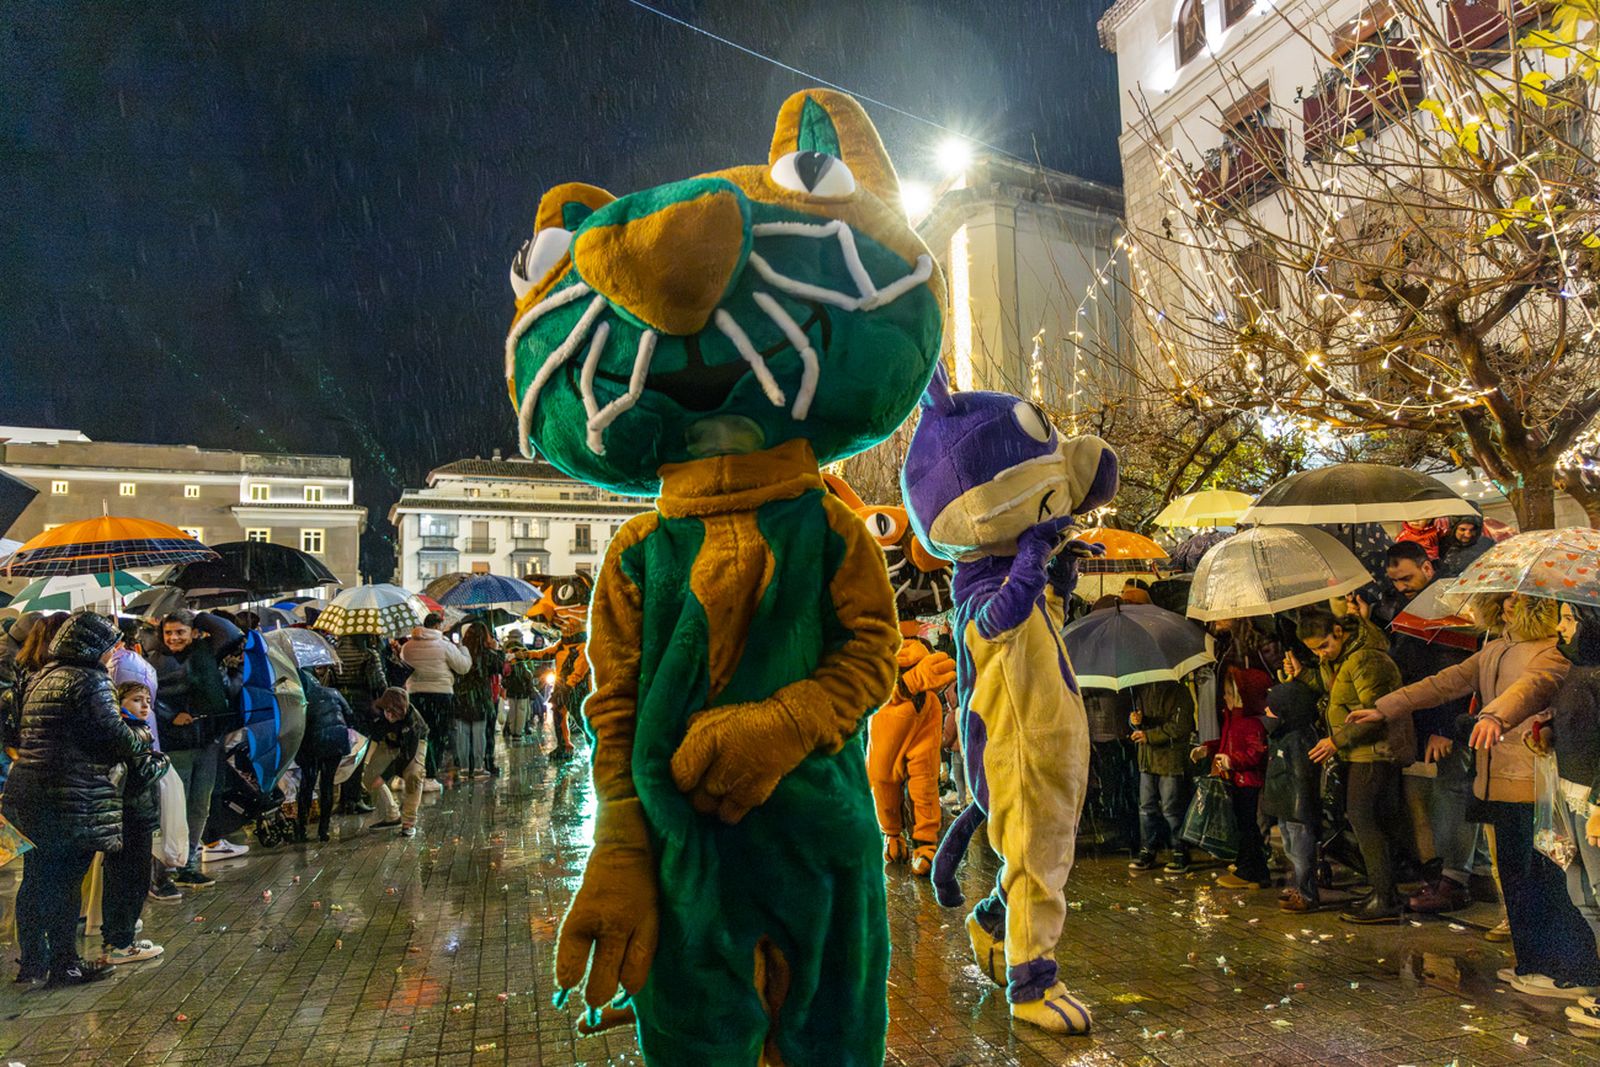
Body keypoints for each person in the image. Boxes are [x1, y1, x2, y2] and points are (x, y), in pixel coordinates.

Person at [1352, 593, 1600, 996]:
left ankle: (1565, 969)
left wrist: (1493, 716)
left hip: (1532, 782)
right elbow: (1445, 683)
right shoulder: (1493, 647)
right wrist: (1387, 707)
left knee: (1549, 883)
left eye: (1519, 601)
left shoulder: (1552, 652)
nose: (1508, 606)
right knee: (1517, 880)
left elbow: (1530, 689)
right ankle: (1531, 962)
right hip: (1494, 779)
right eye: (1503, 600)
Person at [3, 612, 150, 985]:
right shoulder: (90, 680)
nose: (112, 654)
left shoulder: (42, 675)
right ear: (92, 645)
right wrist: (142, 736)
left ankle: (33, 962)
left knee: (37, 879)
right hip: (70, 796)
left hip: (29, 792)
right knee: (66, 881)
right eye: (109, 646)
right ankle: (65, 964)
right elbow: (117, 737)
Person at [1356, 542, 1482, 914]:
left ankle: (1455, 879)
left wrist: (1447, 726)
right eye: (1395, 580)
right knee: (1437, 798)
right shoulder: (1411, 604)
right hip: (1426, 718)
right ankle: (1452, 872)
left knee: (1452, 795)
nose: (1401, 585)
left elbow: (1455, 674)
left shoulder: (1447, 604)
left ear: (1428, 568)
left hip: (1450, 722)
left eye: (1407, 577)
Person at [1286, 608, 1408, 924]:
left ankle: (1385, 897)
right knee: (1364, 819)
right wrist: (1303, 673)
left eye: (1323, 646)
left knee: (1364, 818)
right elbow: (1336, 693)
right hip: (1356, 753)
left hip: (1374, 753)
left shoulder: (1368, 659)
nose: (1321, 654)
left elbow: (1376, 711)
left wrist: (1335, 741)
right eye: (1314, 651)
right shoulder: (1339, 660)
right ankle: (1382, 891)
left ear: (1339, 632)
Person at [149, 610, 242, 887]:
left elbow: (231, 632)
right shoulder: (155, 661)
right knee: (172, 808)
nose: (174, 638)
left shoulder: (205, 652)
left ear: (193, 632)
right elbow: (148, 700)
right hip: (177, 744)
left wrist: (199, 616)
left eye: (180, 631)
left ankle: (188, 863)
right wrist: (170, 716)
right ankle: (166, 869)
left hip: (208, 741)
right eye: (168, 633)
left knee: (199, 806)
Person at [1554, 604, 1600, 1029]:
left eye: (1568, 618)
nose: (1559, 626)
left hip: (1593, 800)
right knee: (1583, 891)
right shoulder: (1578, 669)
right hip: (1573, 791)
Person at [101, 681, 167, 965]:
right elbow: (141, 775)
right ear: (120, 702)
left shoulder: (121, 730)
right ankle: (122, 942)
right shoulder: (133, 732)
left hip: (123, 814)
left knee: (119, 875)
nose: (144, 706)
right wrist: (162, 761)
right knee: (133, 876)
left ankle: (116, 935)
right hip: (134, 814)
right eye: (137, 700)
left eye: (147, 701)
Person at [1194, 667, 1272, 890]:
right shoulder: (1232, 718)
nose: (1225, 697)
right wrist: (1207, 749)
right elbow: (1226, 742)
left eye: (1229, 693)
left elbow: (1255, 752)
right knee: (1243, 826)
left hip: (1247, 783)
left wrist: (1232, 761)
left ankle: (1250, 872)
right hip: (1236, 781)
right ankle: (1252, 868)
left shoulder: (1250, 722)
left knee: (1247, 828)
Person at [1262, 681, 1323, 912]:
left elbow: (1301, 778)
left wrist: (1300, 809)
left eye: (1271, 709)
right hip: (1285, 805)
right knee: (1291, 849)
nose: (1266, 713)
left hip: (1296, 809)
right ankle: (1299, 886)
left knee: (1301, 852)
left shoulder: (1297, 738)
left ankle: (1307, 894)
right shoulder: (1282, 735)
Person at [1128, 679, 1196, 873]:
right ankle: (1147, 849)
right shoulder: (1142, 689)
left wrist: (1150, 735)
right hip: (1147, 759)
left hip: (1170, 759)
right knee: (1146, 807)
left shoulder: (1179, 692)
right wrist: (1135, 721)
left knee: (1171, 808)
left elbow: (1180, 726)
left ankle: (1180, 850)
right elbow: (1140, 722)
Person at [400, 613, 469, 792]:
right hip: (441, 695)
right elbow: (463, 667)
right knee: (437, 736)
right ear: (438, 626)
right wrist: (463, 649)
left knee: (418, 735)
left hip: (415, 694)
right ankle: (430, 775)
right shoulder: (445, 646)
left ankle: (414, 771)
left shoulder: (407, 647)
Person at [295, 667, 353, 842]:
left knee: (308, 783)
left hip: (312, 743)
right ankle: (323, 830)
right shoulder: (333, 692)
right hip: (336, 740)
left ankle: (301, 829)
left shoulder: (300, 699)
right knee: (327, 784)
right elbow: (349, 714)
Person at [361, 687, 428, 837]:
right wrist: (367, 762)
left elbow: (407, 754)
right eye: (387, 712)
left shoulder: (413, 721)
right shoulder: (377, 711)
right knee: (369, 778)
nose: (390, 716)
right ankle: (391, 814)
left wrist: (385, 776)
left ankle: (409, 821)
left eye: (394, 713)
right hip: (389, 742)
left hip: (413, 745)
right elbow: (375, 736)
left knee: (413, 775)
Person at [331, 633, 386, 813]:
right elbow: (379, 683)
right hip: (362, 707)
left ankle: (341, 799)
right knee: (359, 752)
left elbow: (329, 682)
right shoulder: (368, 654)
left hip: (340, 706)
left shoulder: (334, 652)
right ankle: (353, 799)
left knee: (344, 752)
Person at [452, 623, 504, 778]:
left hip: (461, 697)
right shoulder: (487, 654)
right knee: (479, 732)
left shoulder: (460, 652)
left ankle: (463, 768)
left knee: (463, 733)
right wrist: (497, 650)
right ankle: (479, 767)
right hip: (480, 698)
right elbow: (500, 668)